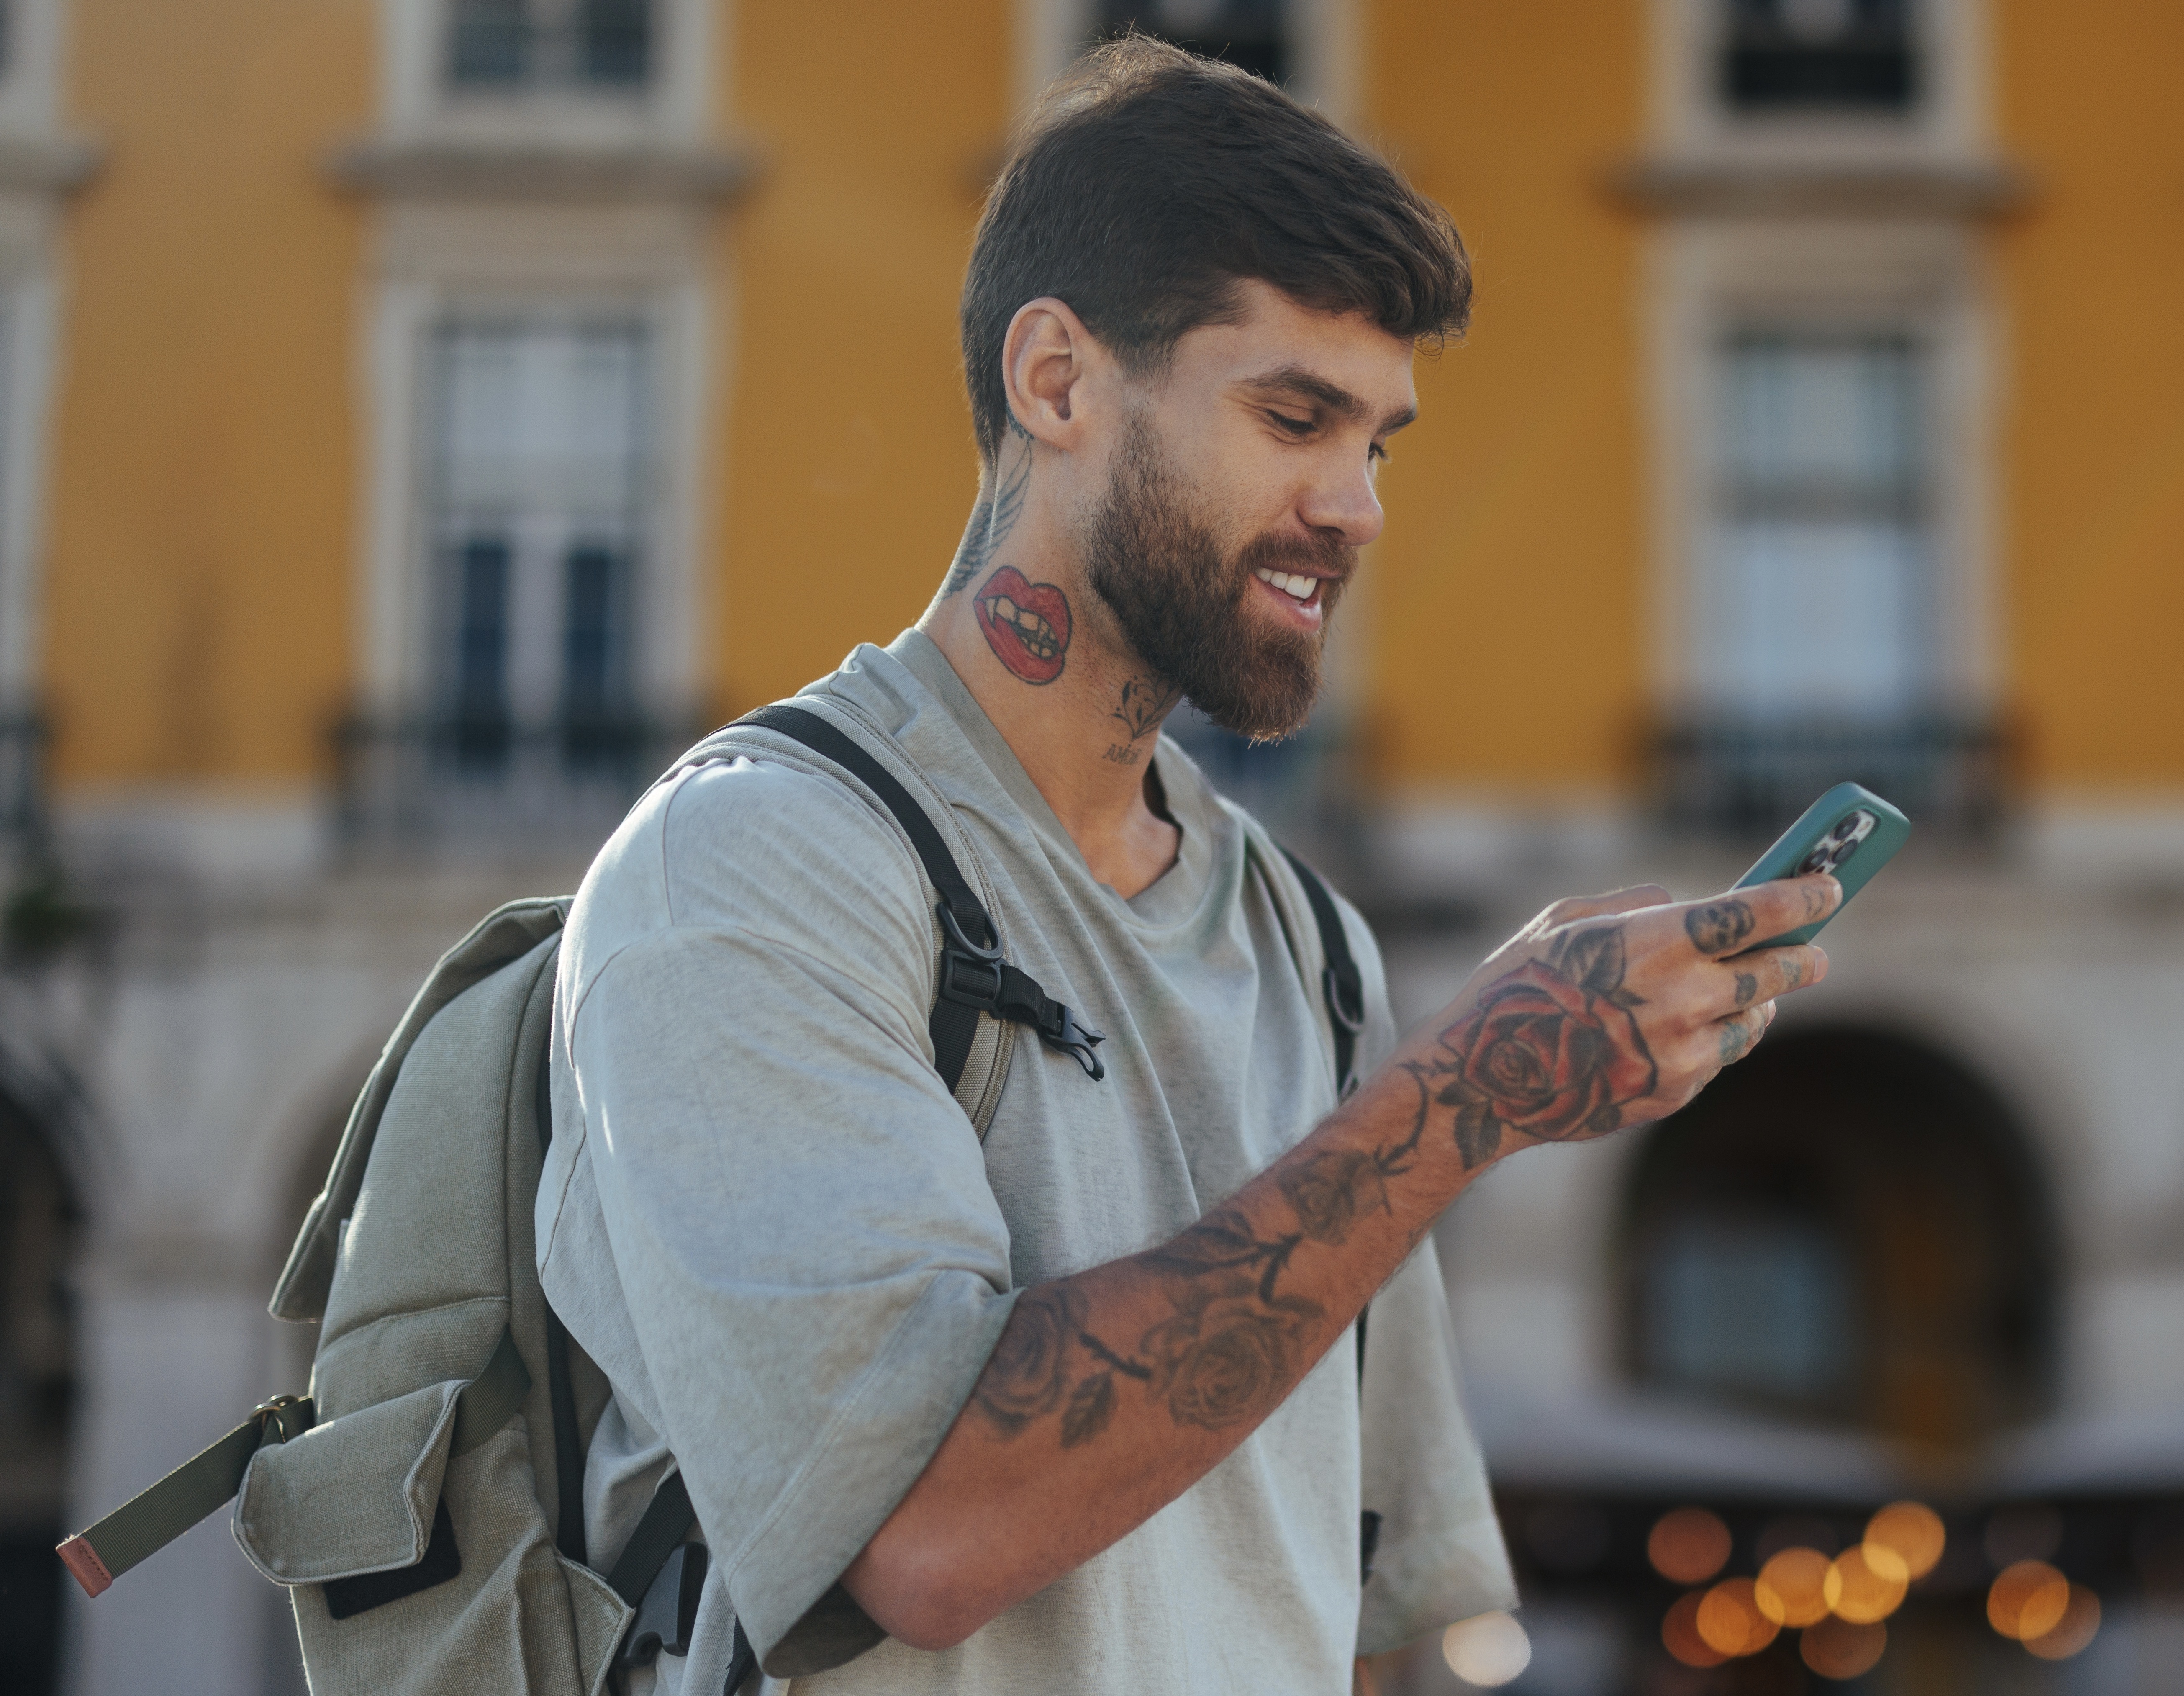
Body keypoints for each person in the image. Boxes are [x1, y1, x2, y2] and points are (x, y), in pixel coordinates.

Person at [536, 36, 1838, 1695]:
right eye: (1294, 417)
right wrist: (1466, 1093)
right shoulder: (751, 864)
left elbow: (1356, 1603)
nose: (1356, 507)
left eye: (1380, 443)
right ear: (1058, 382)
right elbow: (926, 1529)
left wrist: (1447, 1091)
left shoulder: (1312, 948)